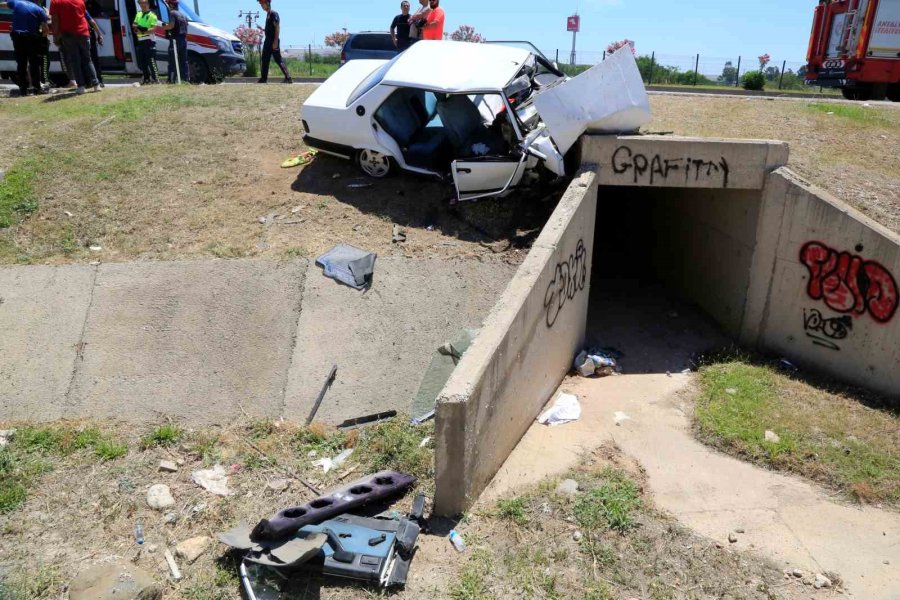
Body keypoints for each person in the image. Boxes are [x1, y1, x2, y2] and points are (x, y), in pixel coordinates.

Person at [49, 0, 100, 94]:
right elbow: (86, 17)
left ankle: (81, 86)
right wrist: (99, 34)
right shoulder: (79, 1)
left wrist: (56, 36)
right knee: (87, 59)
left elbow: (55, 19)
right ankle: (96, 84)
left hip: (68, 34)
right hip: (84, 33)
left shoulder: (55, 2)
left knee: (75, 61)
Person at [0, 0, 50, 96]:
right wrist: (42, 38)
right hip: (31, 38)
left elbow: (3, 5)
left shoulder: (17, 2)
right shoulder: (40, 10)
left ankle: (23, 90)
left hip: (17, 37)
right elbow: (46, 29)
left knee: (21, 63)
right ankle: (36, 88)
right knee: (34, 64)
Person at [256, 0, 292, 84]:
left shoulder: (273, 14)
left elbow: (277, 27)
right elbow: (270, 29)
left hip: (273, 40)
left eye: (263, 4)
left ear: (268, 3)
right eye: (261, 5)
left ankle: (288, 78)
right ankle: (263, 79)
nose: (262, 6)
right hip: (267, 41)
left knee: (278, 59)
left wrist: (275, 41)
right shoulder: (268, 15)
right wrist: (263, 29)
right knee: (265, 60)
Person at [161, 0, 189, 83]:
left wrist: (164, 27)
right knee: (184, 61)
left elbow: (171, 26)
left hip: (175, 40)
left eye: (168, 4)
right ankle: (185, 80)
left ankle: (171, 80)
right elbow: (186, 25)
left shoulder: (172, 13)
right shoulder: (183, 15)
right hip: (184, 39)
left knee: (173, 61)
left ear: (171, 5)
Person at [132, 0, 159, 84]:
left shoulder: (152, 15)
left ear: (148, 4)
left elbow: (153, 29)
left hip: (149, 40)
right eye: (140, 3)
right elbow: (134, 25)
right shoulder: (138, 14)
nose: (142, 5)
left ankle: (156, 79)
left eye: (144, 3)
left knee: (151, 61)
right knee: (142, 62)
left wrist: (142, 30)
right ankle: (146, 79)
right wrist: (138, 28)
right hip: (140, 40)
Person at [85, 0, 104, 87]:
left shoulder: (92, 4)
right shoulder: (79, 5)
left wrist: (99, 35)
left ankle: (98, 80)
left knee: (93, 59)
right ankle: (90, 81)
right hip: (84, 35)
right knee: (87, 59)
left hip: (88, 34)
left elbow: (93, 20)